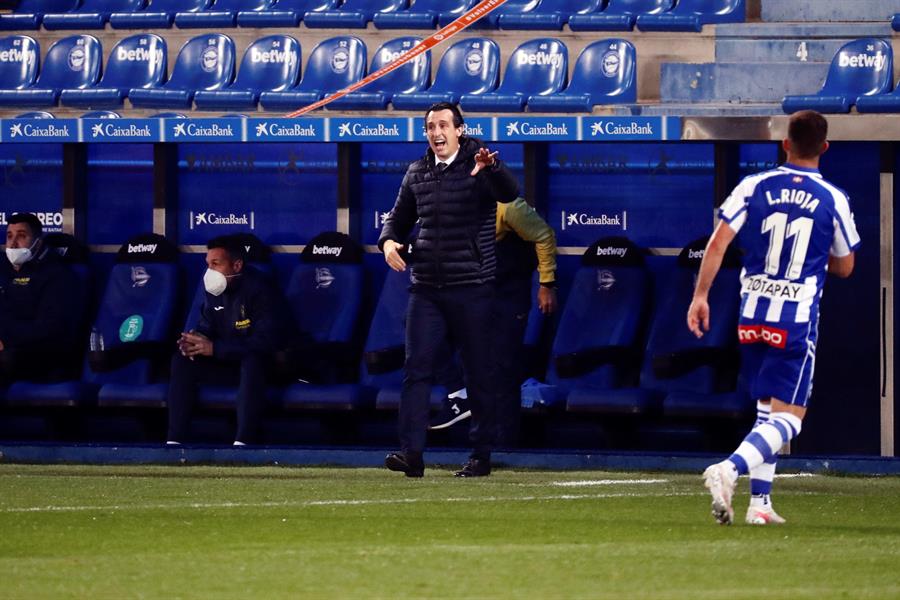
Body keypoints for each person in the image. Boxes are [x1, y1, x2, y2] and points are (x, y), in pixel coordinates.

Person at [687, 110, 859, 525]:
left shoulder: (753, 185)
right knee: (790, 418)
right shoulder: (832, 198)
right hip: (795, 318)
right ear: (825, 147)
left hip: (752, 314)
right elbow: (846, 266)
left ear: (785, 143)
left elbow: (718, 243)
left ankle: (759, 505)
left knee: (766, 409)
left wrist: (700, 296)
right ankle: (728, 468)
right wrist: (816, 263)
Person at [379, 102, 520, 477]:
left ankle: (481, 456)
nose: (436, 133)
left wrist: (493, 167)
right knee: (416, 369)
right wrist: (389, 243)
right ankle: (412, 454)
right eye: (430, 127)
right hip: (426, 287)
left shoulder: (481, 164)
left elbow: (509, 192)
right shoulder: (417, 171)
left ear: (459, 129)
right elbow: (396, 219)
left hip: (472, 286)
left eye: (443, 125)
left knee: (479, 371)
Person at [429, 198, 558, 448]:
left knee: (501, 367)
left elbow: (544, 235)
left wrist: (546, 284)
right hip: (472, 288)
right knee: (427, 330)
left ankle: (502, 445)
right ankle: (460, 394)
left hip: (509, 292)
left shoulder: (508, 205)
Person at [166, 235, 287, 446]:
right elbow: (207, 325)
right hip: (230, 362)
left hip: (269, 368)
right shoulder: (213, 290)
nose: (210, 271)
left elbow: (266, 343)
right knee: (183, 360)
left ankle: (243, 443)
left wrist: (215, 349)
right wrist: (196, 341)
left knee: (253, 361)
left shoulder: (261, 289)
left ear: (237, 264)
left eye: (216, 264)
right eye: (207, 264)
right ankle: (175, 443)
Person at [0, 212, 78, 383]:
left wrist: (6, 339)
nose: (13, 244)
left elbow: (49, 329)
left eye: (21, 236)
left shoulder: (57, 275)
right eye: (9, 236)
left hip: (42, 355)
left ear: (38, 243)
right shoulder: (3, 271)